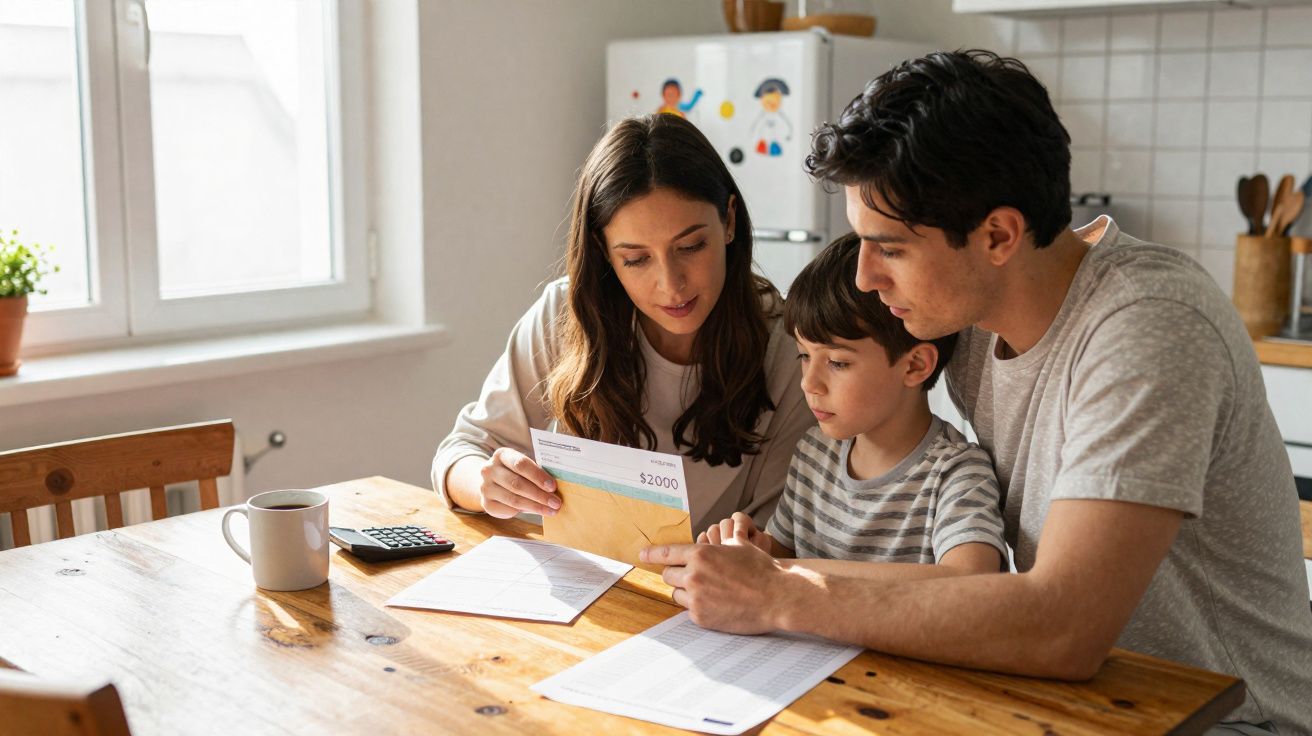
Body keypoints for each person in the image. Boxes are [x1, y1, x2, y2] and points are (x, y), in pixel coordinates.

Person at [641, 50, 1312, 734]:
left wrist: (782, 597)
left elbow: (1062, 627)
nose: (867, 277)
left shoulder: (1149, 325)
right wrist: (778, 575)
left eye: (891, 248)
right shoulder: (971, 323)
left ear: (998, 235)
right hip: (1078, 702)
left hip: (1230, 721)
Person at [432, 113, 814, 534]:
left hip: (704, 594)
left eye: (691, 246)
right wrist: (487, 483)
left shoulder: (790, 347)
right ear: (605, 253)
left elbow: (780, 533)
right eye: (636, 259)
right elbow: (462, 452)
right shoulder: (564, 314)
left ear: (729, 221)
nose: (671, 285)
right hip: (581, 583)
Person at [699, 233, 1007, 582]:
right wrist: (755, 548)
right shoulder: (814, 453)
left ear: (915, 365)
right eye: (804, 356)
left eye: (838, 363)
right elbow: (784, 552)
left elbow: (971, 582)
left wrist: (781, 569)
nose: (809, 383)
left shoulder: (957, 474)